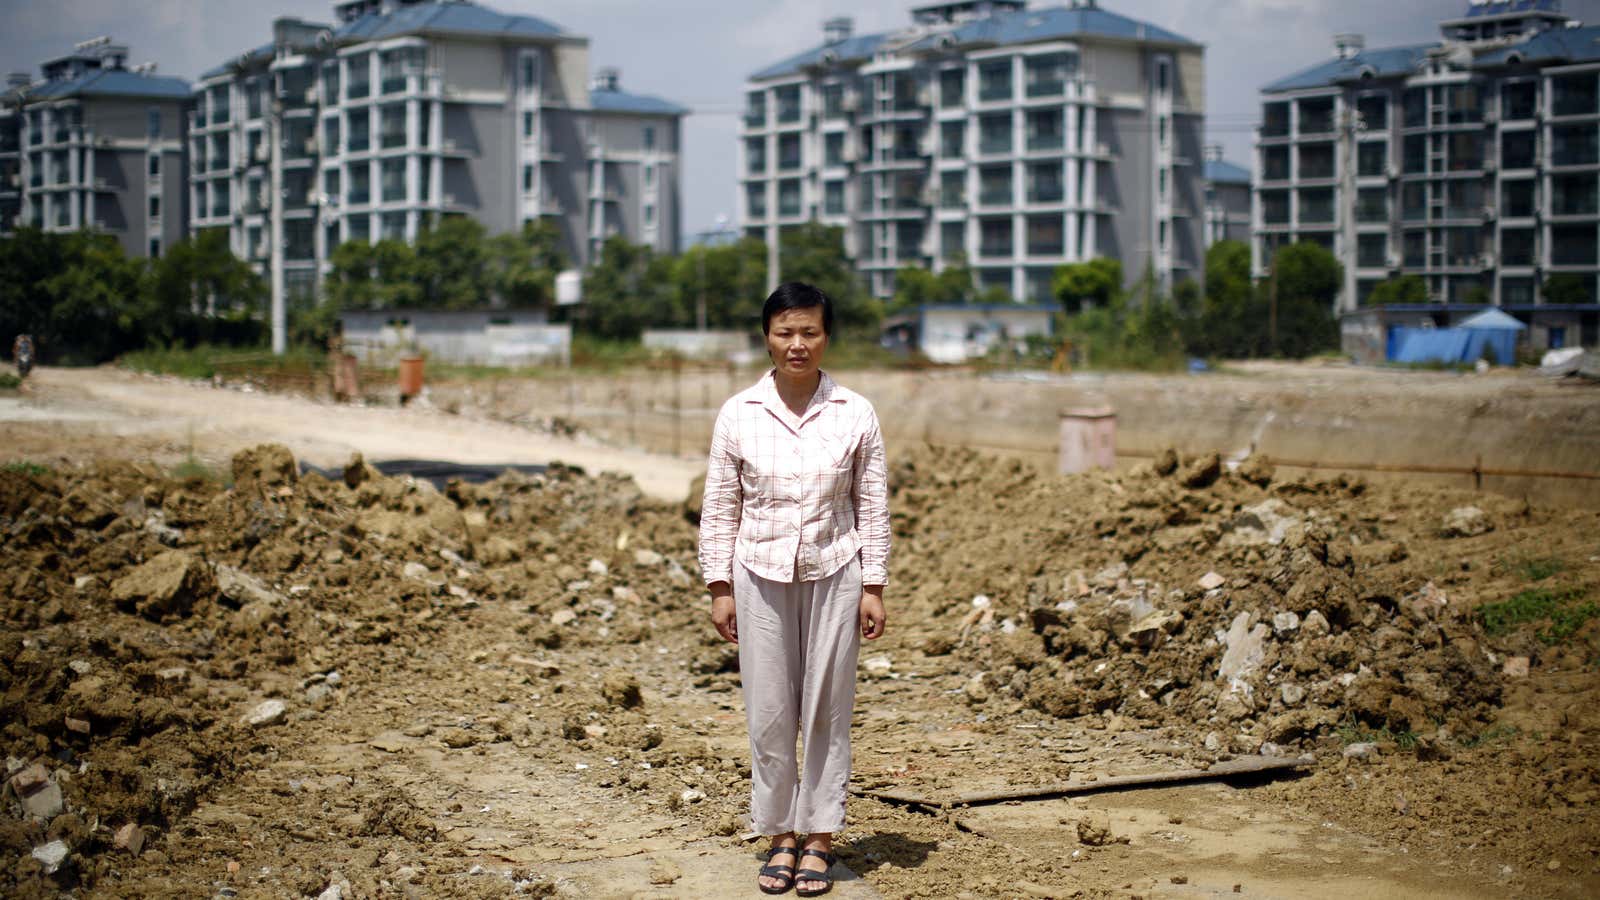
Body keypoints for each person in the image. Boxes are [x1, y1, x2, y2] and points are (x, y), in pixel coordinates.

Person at [698, 282, 890, 897]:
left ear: (826, 336)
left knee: (828, 708)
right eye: (785, 332)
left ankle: (822, 837)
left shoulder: (854, 411)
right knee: (771, 709)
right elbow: (721, 505)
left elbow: (872, 504)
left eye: (809, 332)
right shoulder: (739, 412)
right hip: (758, 573)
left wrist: (875, 584)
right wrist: (718, 585)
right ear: (767, 338)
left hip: (837, 572)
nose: (797, 344)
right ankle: (781, 833)